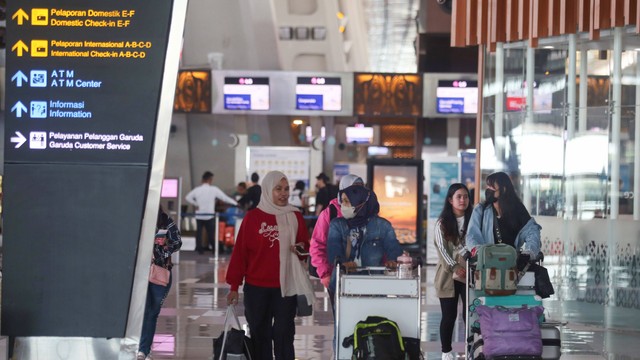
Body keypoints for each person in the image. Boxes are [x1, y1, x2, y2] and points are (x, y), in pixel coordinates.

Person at [226, 171, 315, 360]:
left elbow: (305, 246)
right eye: (278, 189)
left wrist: (300, 248)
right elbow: (240, 253)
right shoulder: (252, 218)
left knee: (284, 334)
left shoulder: (294, 215)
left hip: (286, 287)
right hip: (256, 288)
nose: (283, 193)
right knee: (260, 334)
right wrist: (234, 286)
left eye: (286, 189)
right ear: (267, 190)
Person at [326, 184, 403, 309]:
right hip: (344, 286)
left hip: (374, 286)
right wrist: (342, 262)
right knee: (345, 325)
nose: (343, 206)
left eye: (347, 201)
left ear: (360, 204)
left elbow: (393, 247)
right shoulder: (337, 225)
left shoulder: (382, 226)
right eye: (342, 201)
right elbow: (333, 247)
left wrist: (393, 261)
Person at [137, 207, 182, 360]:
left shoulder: (165, 220)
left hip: (160, 272)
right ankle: (141, 349)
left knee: (152, 313)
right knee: (143, 311)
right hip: (139, 272)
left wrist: (163, 247)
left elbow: (177, 242)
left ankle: (143, 350)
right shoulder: (136, 219)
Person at [310, 174, 364, 300]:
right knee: (341, 315)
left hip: (364, 274)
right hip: (337, 274)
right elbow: (318, 244)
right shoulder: (330, 213)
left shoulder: (367, 211)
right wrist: (324, 274)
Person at [434, 183, 472, 360]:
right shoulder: (442, 223)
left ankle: (471, 347)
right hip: (448, 276)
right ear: (450, 200)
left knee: (469, 314)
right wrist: (455, 266)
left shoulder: (474, 220)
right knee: (449, 316)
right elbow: (442, 251)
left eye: (465, 196)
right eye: (459, 196)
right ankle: (446, 352)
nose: (463, 200)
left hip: (470, 275)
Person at [465, 171, 541, 257]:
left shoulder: (517, 210)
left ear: (503, 190)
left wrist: (529, 253)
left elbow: (532, 231)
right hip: (486, 262)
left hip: (511, 262)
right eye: (487, 186)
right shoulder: (481, 209)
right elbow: (471, 236)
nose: (488, 190)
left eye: (492, 187)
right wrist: (478, 251)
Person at [185, 171, 238, 254]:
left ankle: (199, 249)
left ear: (203, 179)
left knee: (199, 233)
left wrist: (196, 204)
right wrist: (236, 203)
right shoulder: (214, 189)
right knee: (211, 233)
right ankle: (214, 249)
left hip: (199, 215)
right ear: (210, 179)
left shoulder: (197, 190)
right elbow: (224, 198)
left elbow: (187, 197)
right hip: (209, 215)